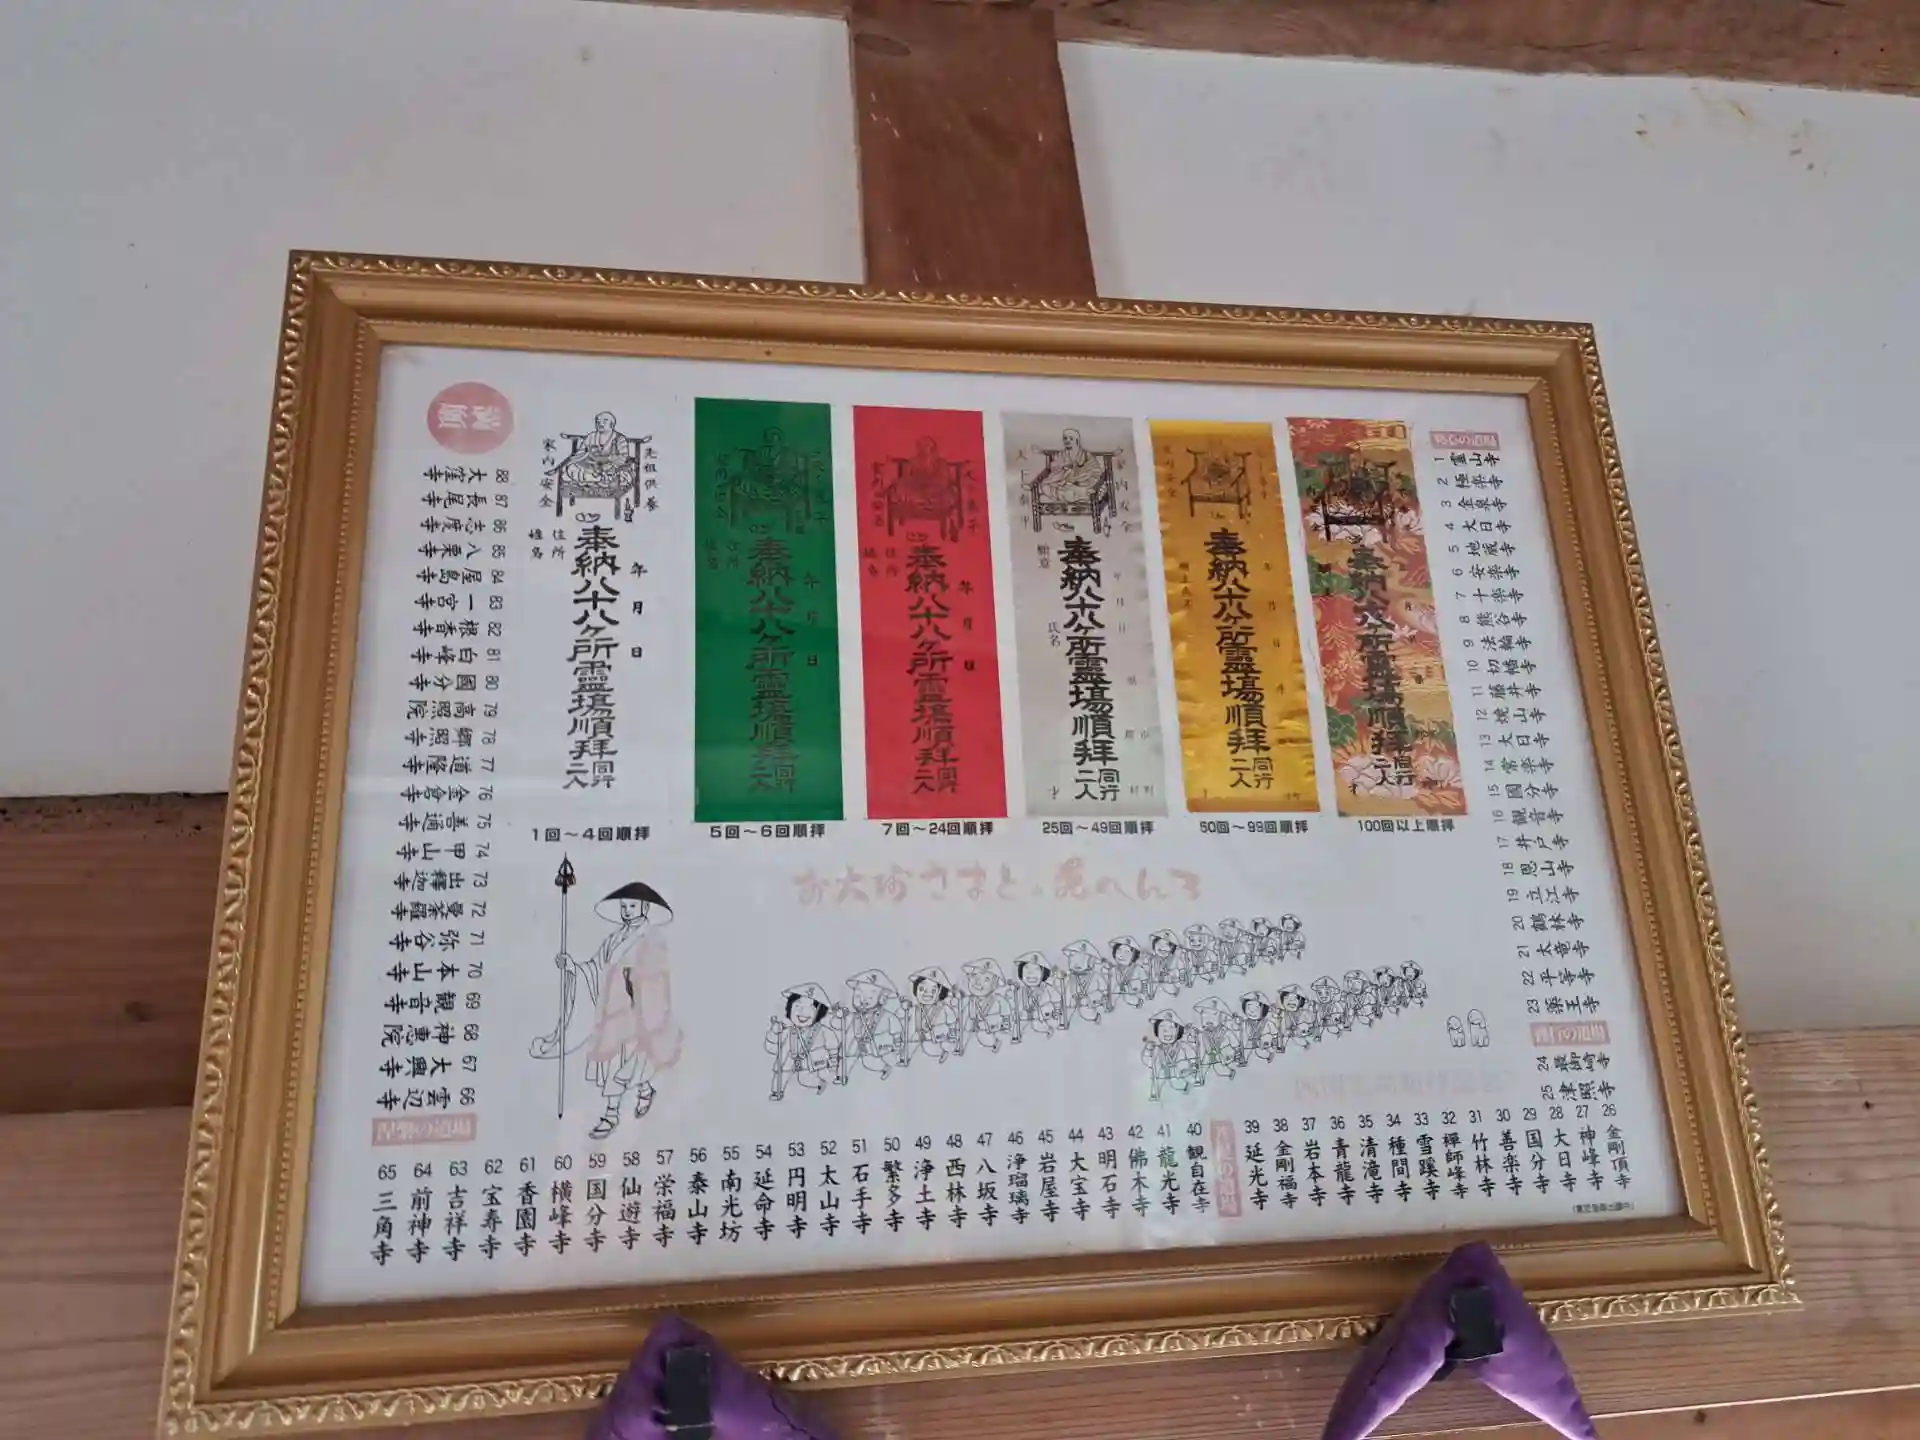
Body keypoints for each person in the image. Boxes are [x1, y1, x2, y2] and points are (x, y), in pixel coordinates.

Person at [531, 881, 681, 1139]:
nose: (627, 911)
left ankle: (611, 1115)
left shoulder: (651, 938)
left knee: (629, 1061)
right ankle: (644, 1091)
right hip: (613, 1010)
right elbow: (596, 968)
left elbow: (657, 975)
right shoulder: (615, 938)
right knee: (617, 1062)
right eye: (624, 906)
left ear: (644, 907)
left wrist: (637, 982)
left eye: (632, 906)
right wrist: (573, 967)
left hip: (638, 1011)